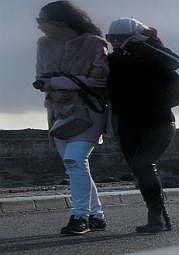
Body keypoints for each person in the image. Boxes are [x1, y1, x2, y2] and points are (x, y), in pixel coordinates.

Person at [33, 1, 108, 235]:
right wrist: (63, 82)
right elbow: (40, 78)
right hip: (57, 112)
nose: (39, 27)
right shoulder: (44, 45)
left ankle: (79, 217)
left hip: (88, 110)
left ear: (60, 22)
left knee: (74, 160)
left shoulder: (95, 44)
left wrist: (57, 82)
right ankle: (97, 215)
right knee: (76, 166)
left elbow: (100, 80)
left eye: (41, 22)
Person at [106, 18, 179, 233]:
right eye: (112, 38)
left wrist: (146, 43)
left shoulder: (152, 54)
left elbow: (173, 62)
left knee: (142, 164)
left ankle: (155, 217)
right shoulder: (114, 60)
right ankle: (156, 214)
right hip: (128, 123)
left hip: (159, 121)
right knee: (140, 169)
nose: (115, 42)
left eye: (120, 37)